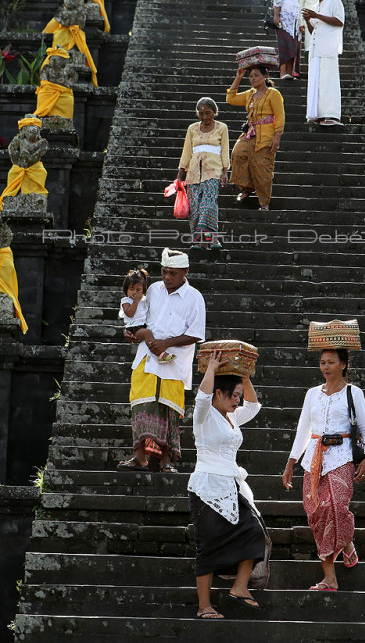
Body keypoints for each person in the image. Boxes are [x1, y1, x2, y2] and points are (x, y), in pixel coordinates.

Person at [282, 348, 365, 591]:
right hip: (313, 457)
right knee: (316, 512)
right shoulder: (312, 394)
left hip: (342, 456)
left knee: (337, 507)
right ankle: (331, 573)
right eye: (322, 362)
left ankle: (344, 545)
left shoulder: (354, 393)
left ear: (343, 364)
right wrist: (291, 462)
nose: (326, 367)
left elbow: (364, 426)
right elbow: (303, 429)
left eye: (331, 362)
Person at [188, 351, 269, 619]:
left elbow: (254, 406)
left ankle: (240, 587)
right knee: (208, 546)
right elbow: (201, 398)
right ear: (218, 395)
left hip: (232, 486)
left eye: (238, 395)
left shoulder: (232, 417)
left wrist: (245, 376)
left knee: (255, 533)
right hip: (206, 488)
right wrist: (211, 368)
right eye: (233, 395)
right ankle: (204, 606)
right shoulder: (204, 416)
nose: (238, 399)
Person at [118, 249, 206, 473]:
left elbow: (196, 333)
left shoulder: (194, 298)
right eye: (164, 272)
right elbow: (137, 318)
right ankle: (140, 457)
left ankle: (166, 461)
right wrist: (131, 333)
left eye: (173, 273)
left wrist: (166, 343)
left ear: (186, 272)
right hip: (146, 357)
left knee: (169, 409)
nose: (167, 277)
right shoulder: (153, 290)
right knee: (140, 404)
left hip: (174, 362)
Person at [227, 65, 285, 210]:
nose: (253, 78)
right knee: (238, 154)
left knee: (262, 167)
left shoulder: (273, 93)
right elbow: (231, 98)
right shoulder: (249, 94)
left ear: (265, 76)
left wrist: (277, 136)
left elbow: (280, 116)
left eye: (256, 75)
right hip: (249, 134)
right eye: (251, 76)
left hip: (266, 136)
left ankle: (264, 203)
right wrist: (238, 77)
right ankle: (247, 187)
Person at [177, 97, 230, 249]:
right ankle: (200, 242)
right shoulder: (192, 129)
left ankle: (212, 240)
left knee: (208, 205)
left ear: (214, 112)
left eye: (208, 113)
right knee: (195, 209)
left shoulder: (222, 128)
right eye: (201, 114)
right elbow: (186, 152)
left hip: (213, 172)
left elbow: (225, 150)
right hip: (193, 173)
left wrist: (225, 171)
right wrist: (180, 174)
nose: (205, 117)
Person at [303, 0, 345, 126]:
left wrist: (316, 15)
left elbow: (339, 21)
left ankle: (332, 115)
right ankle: (316, 115)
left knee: (329, 81)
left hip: (328, 48)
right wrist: (308, 19)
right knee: (315, 83)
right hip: (315, 50)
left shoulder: (335, 1)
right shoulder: (314, 7)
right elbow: (313, 28)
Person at [273, 0, 305, 79]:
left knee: (295, 45)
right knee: (285, 44)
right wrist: (276, 15)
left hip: (298, 18)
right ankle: (282, 73)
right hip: (285, 16)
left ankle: (291, 72)